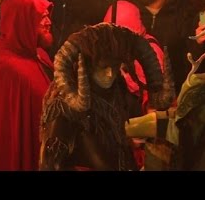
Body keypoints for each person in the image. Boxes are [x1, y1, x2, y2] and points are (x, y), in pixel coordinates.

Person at [39, 22, 164, 171]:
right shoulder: (64, 107)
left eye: (115, 66)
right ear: (87, 65)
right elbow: (49, 165)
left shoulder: (117, 94)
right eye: (103, 67)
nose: (110, 74)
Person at [0, 0, 54, 170]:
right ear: (22, 20)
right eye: (42, 17)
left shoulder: (37, 53)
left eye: (48, 16)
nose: (48, 22)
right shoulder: (9, 67)